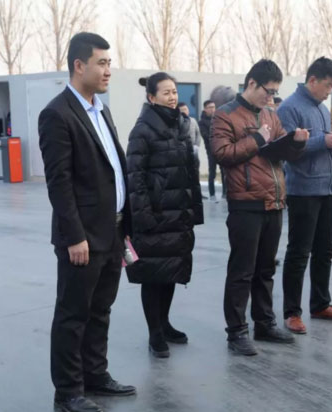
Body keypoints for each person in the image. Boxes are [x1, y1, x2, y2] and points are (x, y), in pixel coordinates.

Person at [38, 32, 135, 412]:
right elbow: (59, 184)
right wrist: (74, 236)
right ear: (79, 66)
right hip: (82, 238)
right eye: (102, 63)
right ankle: (68, 392)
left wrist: (125, 226)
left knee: (100, 310)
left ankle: (95, 375)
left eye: (110, 63)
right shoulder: (57, 114)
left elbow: (112, 170)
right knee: (73, 315)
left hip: (112, 231)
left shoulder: (101, 110)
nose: (108, 70)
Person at [212, 59, 309, 355]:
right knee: (242, 271)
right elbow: (222, 154)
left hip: (274, 201)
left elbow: (281, 152)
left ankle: (264, 323)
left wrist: (296, 143)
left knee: (266, 268)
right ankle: (237, 331)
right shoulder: (225, 115)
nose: (271, 98)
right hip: (245, 203)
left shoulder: (270, 114)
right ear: (252, 83)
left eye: (275, 93)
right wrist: (257, 138)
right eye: (269, 91)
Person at [126, 73, 204, 358]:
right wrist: (144, 217)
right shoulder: (142, 130)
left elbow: (191, 172)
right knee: (152, 275)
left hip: (177, 213)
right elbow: (134, 178)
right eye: (166, 93)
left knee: (170, 272)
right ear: (151, 97)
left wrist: (193, 210)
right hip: (155, 215)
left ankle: (165, 323)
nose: (172, 97)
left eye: (174, 92)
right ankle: (154, 333)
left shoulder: (183, 125)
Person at [276, 57, 332, 335]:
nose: (330, 91)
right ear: (312, 80)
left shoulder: (321, 107)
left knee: (325, 251)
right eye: (328, 85)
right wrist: (323, 141)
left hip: (328, 188)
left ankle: (320, 303)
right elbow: (287, 149)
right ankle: (292, 312)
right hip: (303, 190)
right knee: (299, 253)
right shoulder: (290, 107)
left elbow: (321, 143)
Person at [198, 99, 218, 201]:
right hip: (211, 150)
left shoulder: (219, 119)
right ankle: (212, 193)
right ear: (205, 109)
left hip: (221, 148)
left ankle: (225, 193)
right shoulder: (202, 122)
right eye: (210, 107)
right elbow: (206, 135)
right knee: (212, 172)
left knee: (224, 172)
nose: (212, 109)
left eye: (213, 107)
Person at [177, 101, 202, 171]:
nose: (184, 111)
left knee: (195, 166)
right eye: (182, 110)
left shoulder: (193, 120)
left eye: (185, 109)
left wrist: (196, 146)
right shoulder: (177, 122)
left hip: (193, 149)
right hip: (182, 150)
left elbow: (198, 134)